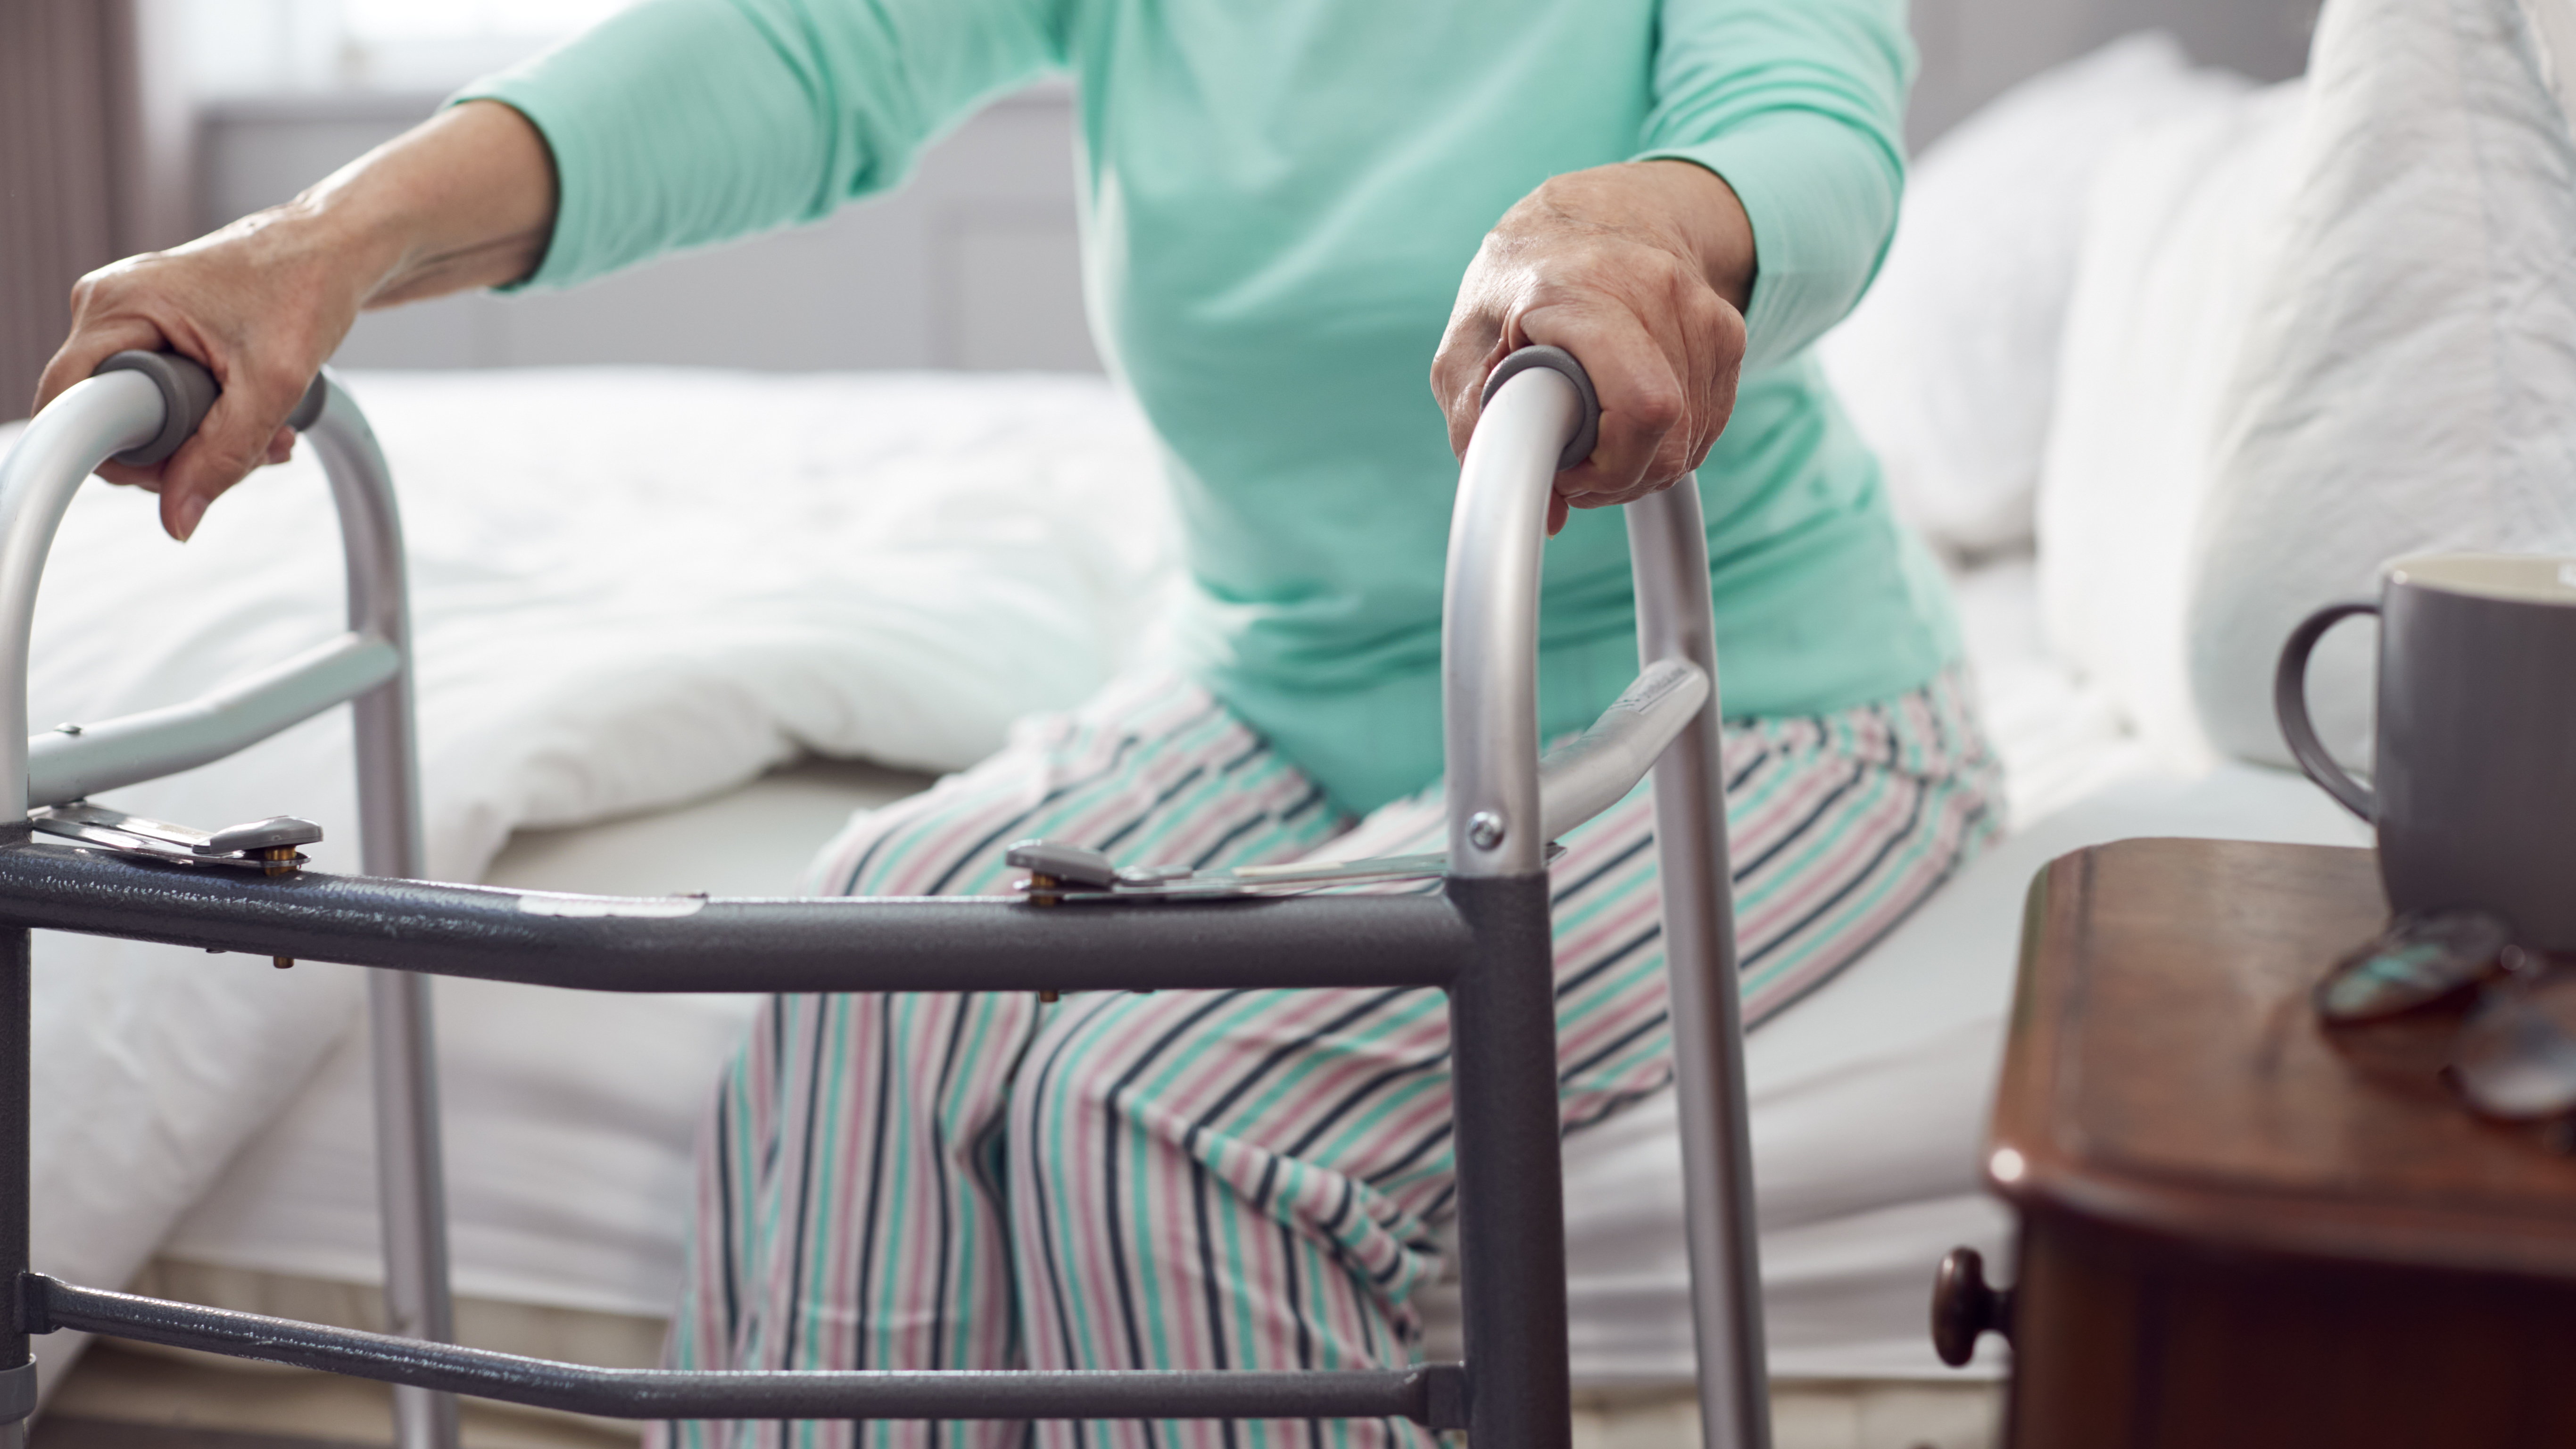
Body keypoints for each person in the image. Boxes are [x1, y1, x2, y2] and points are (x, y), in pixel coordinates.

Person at [37, 1, 1998, 1445]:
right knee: (866, 956)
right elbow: (796, 56)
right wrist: (329, 242)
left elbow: (1805, 114)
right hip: (1279, 671)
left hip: (1744, 696)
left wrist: (1634, 221)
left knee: (1153, 1115)